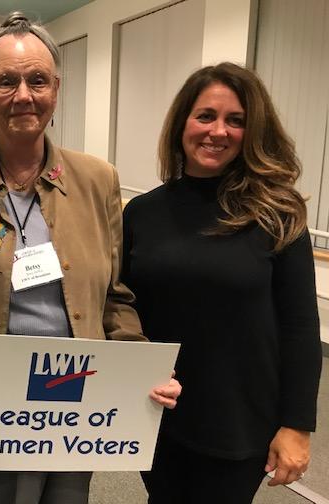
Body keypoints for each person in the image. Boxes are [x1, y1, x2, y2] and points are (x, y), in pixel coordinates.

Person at [0, 12, 181, 504]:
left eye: (37, 80)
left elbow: (115, 296)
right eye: (5, 81)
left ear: (56, 89)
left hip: (75, 400)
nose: (23, 95)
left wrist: (142, 368)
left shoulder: (98, 179)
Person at [121, 62, 323, 504]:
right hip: (156, 412)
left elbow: (301, 327)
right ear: (182, 124)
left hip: (238, 422)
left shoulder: (277, 214)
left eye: (236, 121)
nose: (218, 131)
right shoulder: (142, 213)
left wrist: (297, 426)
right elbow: (122, 307)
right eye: (206, 116)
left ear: (252, 133)